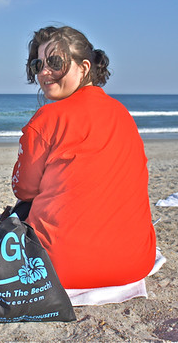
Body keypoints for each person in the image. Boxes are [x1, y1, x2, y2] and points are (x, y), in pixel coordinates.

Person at [11, 25, 156, 289]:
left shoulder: (47, 118)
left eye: (55, 62)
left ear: (84, 67)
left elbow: (24, 189)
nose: (44, 72)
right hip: (135, 264)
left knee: (22, 210)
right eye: (38, 64)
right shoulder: (122, 113)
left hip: (57, 268)